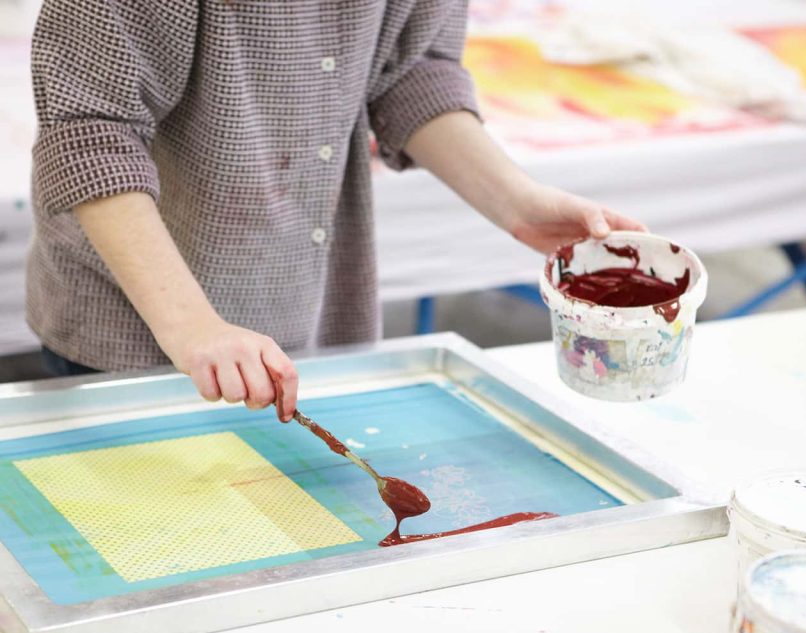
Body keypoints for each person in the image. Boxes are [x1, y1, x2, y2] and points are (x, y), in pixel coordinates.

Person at [28, 0, 644, 422]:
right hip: (136, 324)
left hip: (307, 301)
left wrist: (519, 201)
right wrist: (193, 327)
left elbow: (408, 72)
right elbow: (89, 132)